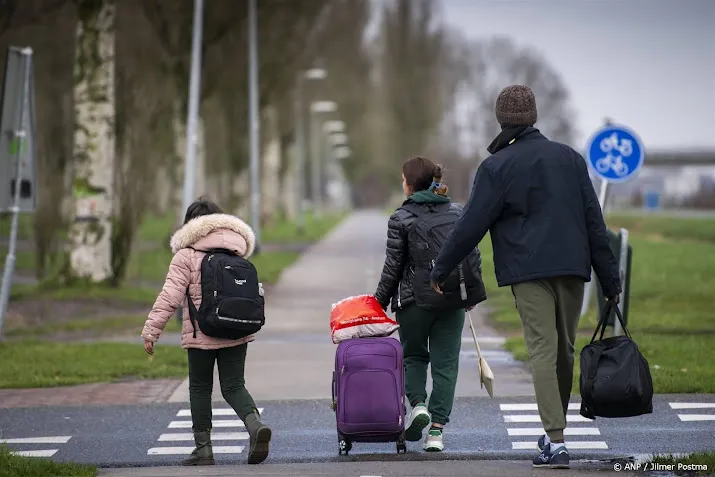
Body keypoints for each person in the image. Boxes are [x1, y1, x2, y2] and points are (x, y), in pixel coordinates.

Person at [429, 85, 621, 469]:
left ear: (501, 119)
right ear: (534, 116)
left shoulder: (497, 167)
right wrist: (610, 279)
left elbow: (471, 224)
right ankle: (557, 430)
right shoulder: (570, 159)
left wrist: (441, 266)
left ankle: (556, 439)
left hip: (528, 271)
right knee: (563, 349)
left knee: (542, 351)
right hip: (571, 268)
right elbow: (594, 223)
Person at [141, 196, 271, 466]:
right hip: (237, 330)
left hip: (202, 335)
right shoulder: (237, 253)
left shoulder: (185, 256)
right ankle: (255, 425)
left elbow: (169, 297)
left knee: (200, 388)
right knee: (234, 385)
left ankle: (204, 449)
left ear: (191, 226)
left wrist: (151, 331)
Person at [374, 157, 487, 452]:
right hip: (451, 300)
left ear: (410, 184)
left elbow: (393, 268)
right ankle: (436, 431)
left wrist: (378, 303)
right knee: (446, 365)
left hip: (413, 302)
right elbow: (472, 256)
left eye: (403, 179)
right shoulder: (457, 212)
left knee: (413, 357)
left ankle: (418, 406)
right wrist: (470, 293)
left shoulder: (400, 218)